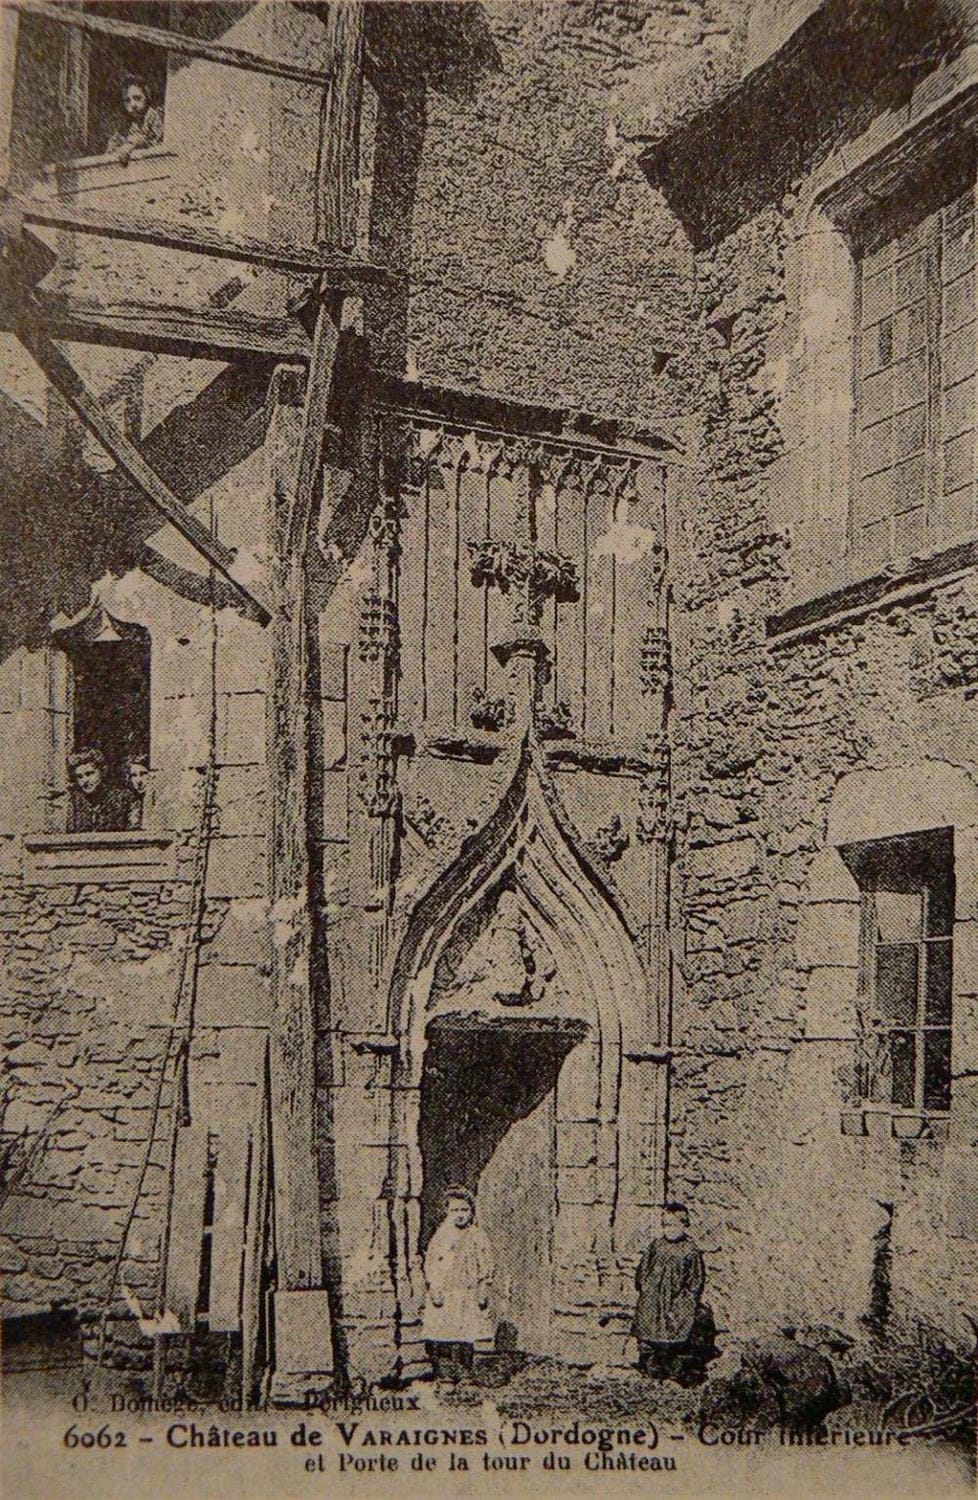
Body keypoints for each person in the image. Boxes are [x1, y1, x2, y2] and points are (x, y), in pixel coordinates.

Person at [632, 1201, 713, 1386]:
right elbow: (643, 1271)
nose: (669, 1229)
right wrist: (647, 1290)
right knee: (650, 1333)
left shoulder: (690, 1250)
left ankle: (675, 1375)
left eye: (674, 1225)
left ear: (684, 1225)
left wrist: (686, 1301)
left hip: (677, 1302)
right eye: (665, 1225)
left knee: (677, 1335)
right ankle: (653, 1373)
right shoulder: (656, 1246)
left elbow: (695, 1281)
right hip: (653, 1300)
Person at [422, 1187, 494, 1382]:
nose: (460, 1215)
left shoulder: (477, 1236)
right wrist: (434, 1287)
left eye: (464, 1210)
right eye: (455, 1210)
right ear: (446, 1212)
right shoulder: (441, 1237)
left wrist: (483, 1286)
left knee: (466, 1333)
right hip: (446, 1292)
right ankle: (445, 1373)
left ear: (471, 1212)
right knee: (444, 1331)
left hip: (467, 1292)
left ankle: (464, 1373)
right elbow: (432, 1264)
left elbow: (486, 1264)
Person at [67, 748, 130, 833]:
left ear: (102, 772)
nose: (85, 781)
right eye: (80, 777)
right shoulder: (74, 803)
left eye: (89, 774)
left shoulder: (123, 798)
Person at [106, 75, 164, 165]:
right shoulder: (125, 123)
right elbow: (112, 147)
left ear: (146, 97)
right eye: (127, 100)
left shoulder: (152, 116)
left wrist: (137, 142)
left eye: (137, 98)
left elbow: (159, 143)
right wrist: (121, 148)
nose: (133, 104)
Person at [124, 754, 154, 830]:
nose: (139, 780)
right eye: (134, 775)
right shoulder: (129, 803)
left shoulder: (160, 802)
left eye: (143, 774)